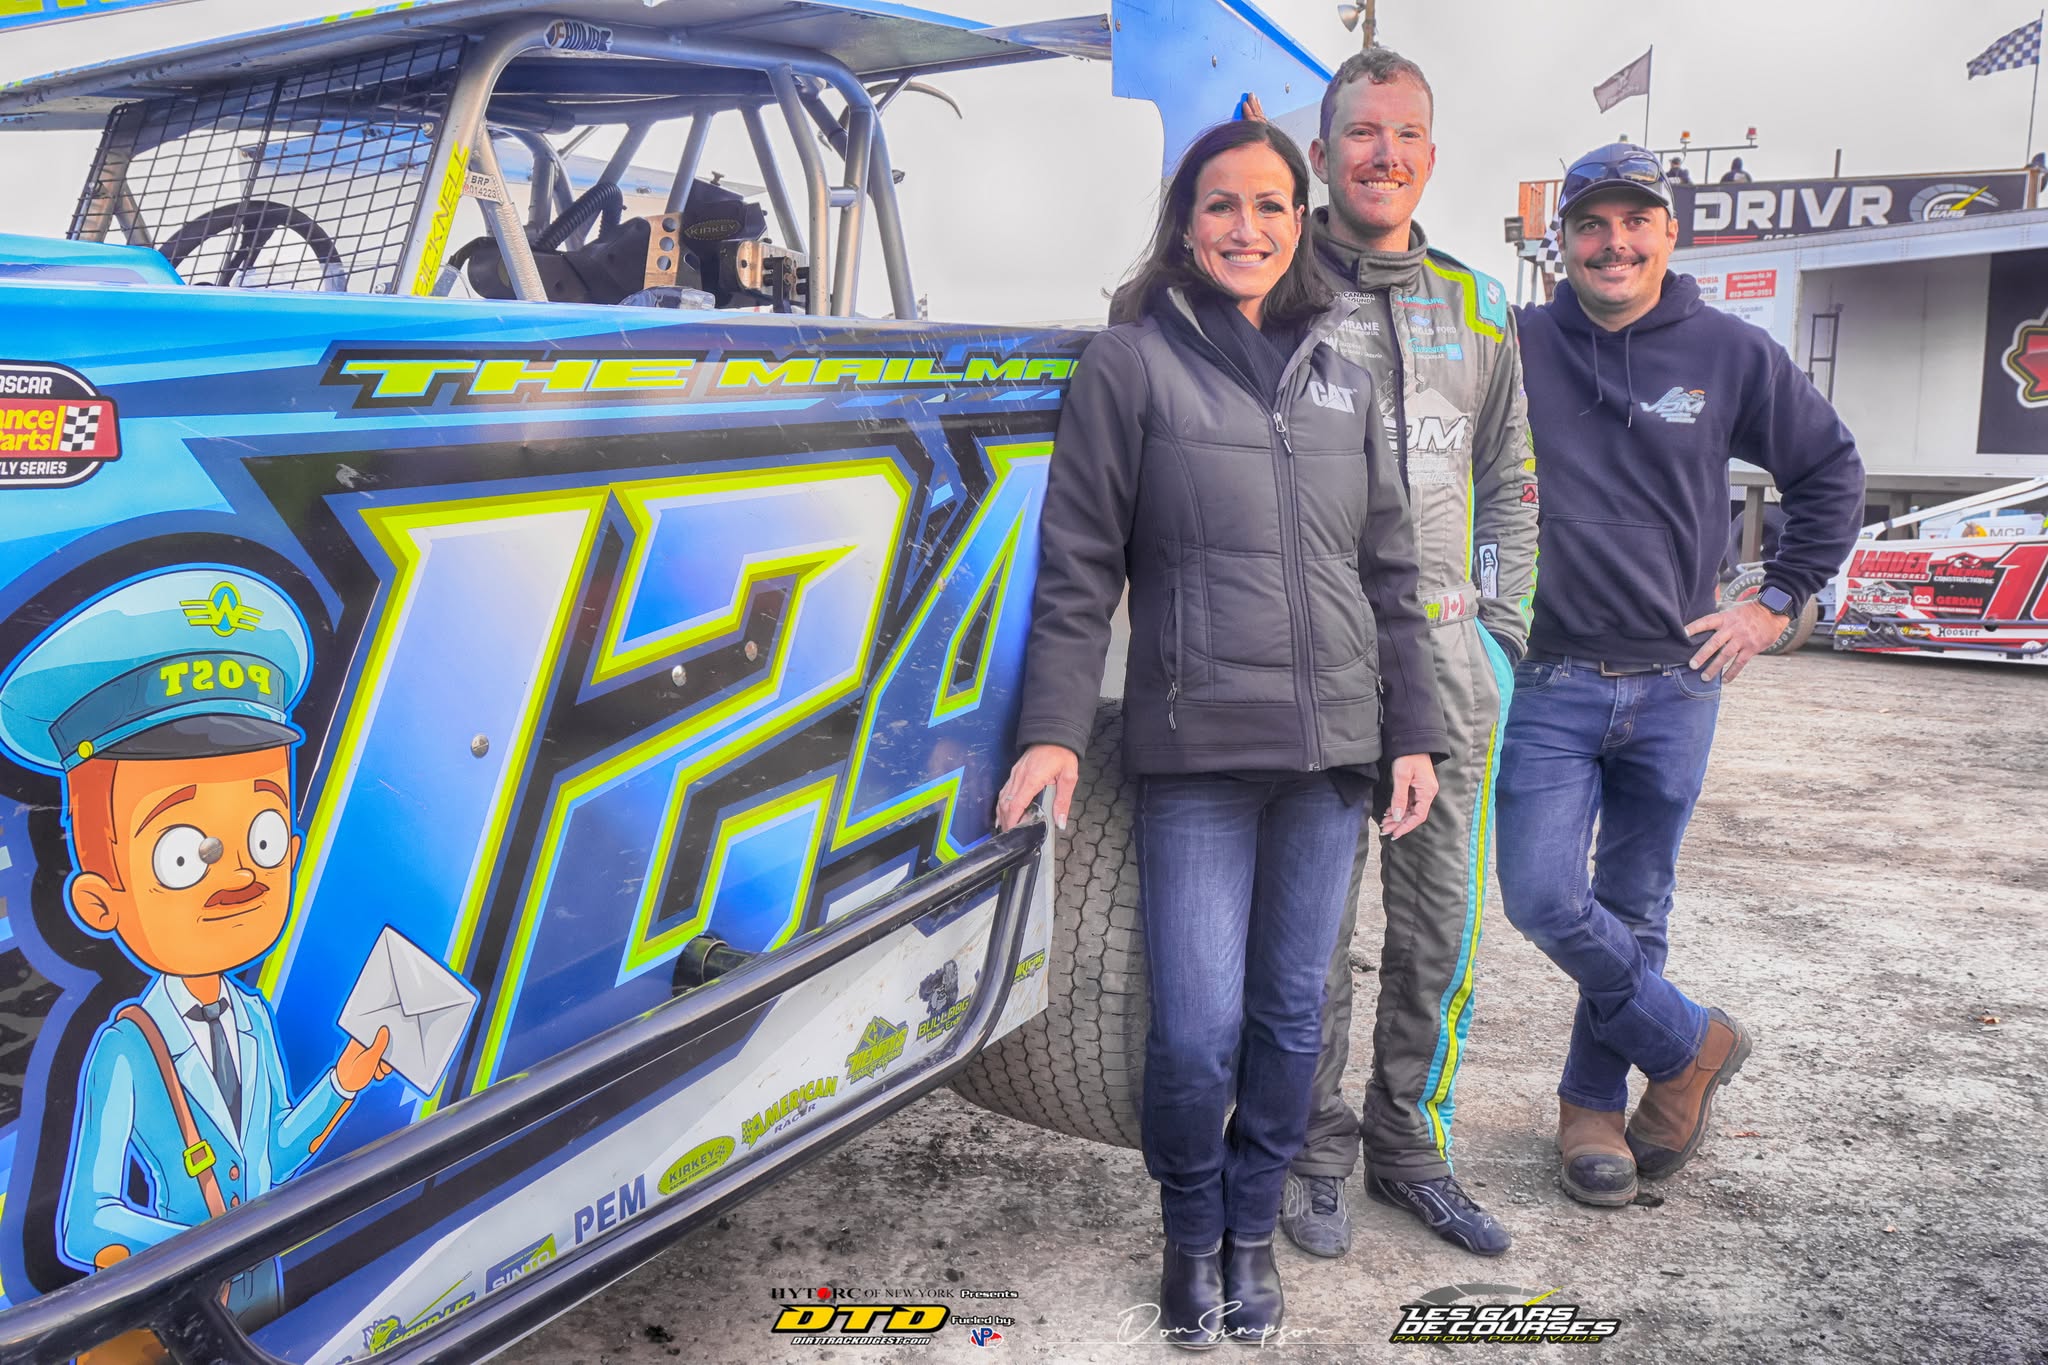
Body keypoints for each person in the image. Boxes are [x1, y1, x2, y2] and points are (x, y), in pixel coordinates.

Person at [994, 118, 1447, 1348]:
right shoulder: (1128, 368)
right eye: (1219, 206)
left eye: (1269, 205)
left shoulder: (1345, 374)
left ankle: (1253, 1235)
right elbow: (1077, 564)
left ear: (1300, 222)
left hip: (1331, 761)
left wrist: (1411, 733)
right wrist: (1052, 732)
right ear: (1182, 224)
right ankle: (1189, 1237)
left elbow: (1390, 573)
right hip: (1196, 754)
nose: (1245, 228)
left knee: (1290, 1015)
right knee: (1192, 1026)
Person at [1503, 144, 1864, 1208]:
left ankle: (1588, 1107)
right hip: (1545, 676)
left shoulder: (1726, 351)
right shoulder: (1514, 347)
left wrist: (1769, 603)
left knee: (1632, 903)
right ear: (1559, 240)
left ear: (1669, 232)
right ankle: (1689, 1043)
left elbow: (1828, 469)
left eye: (1635, 222)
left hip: (1675, 682)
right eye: (1590, 224)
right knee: (1539, 896)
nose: (1612, 244)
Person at [1243, 48, 1537, 1263]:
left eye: (1403, 135)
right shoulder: (1262, 281)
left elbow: (1511, 484)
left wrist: (1504, 636)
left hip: (1452, 670)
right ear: (1319, 155)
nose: (1382, 156)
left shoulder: (1477, 307)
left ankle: (1409, 1147)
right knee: (1311, 933)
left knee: (1441, 928)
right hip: (1311, 664)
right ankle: (1312, 1152)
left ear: (1429, 151)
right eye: (1359, 135)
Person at [0, 568, 397, 1333]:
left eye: (264, 835)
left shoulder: (249, 1015)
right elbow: (87, 1221)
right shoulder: (126, 1045)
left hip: (261, 1290)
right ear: (99, 899)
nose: (243, 871)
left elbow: (273, 1156)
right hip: (191, 1301)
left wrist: (342, 1085)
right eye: (183, 853)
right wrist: (202, 1241)